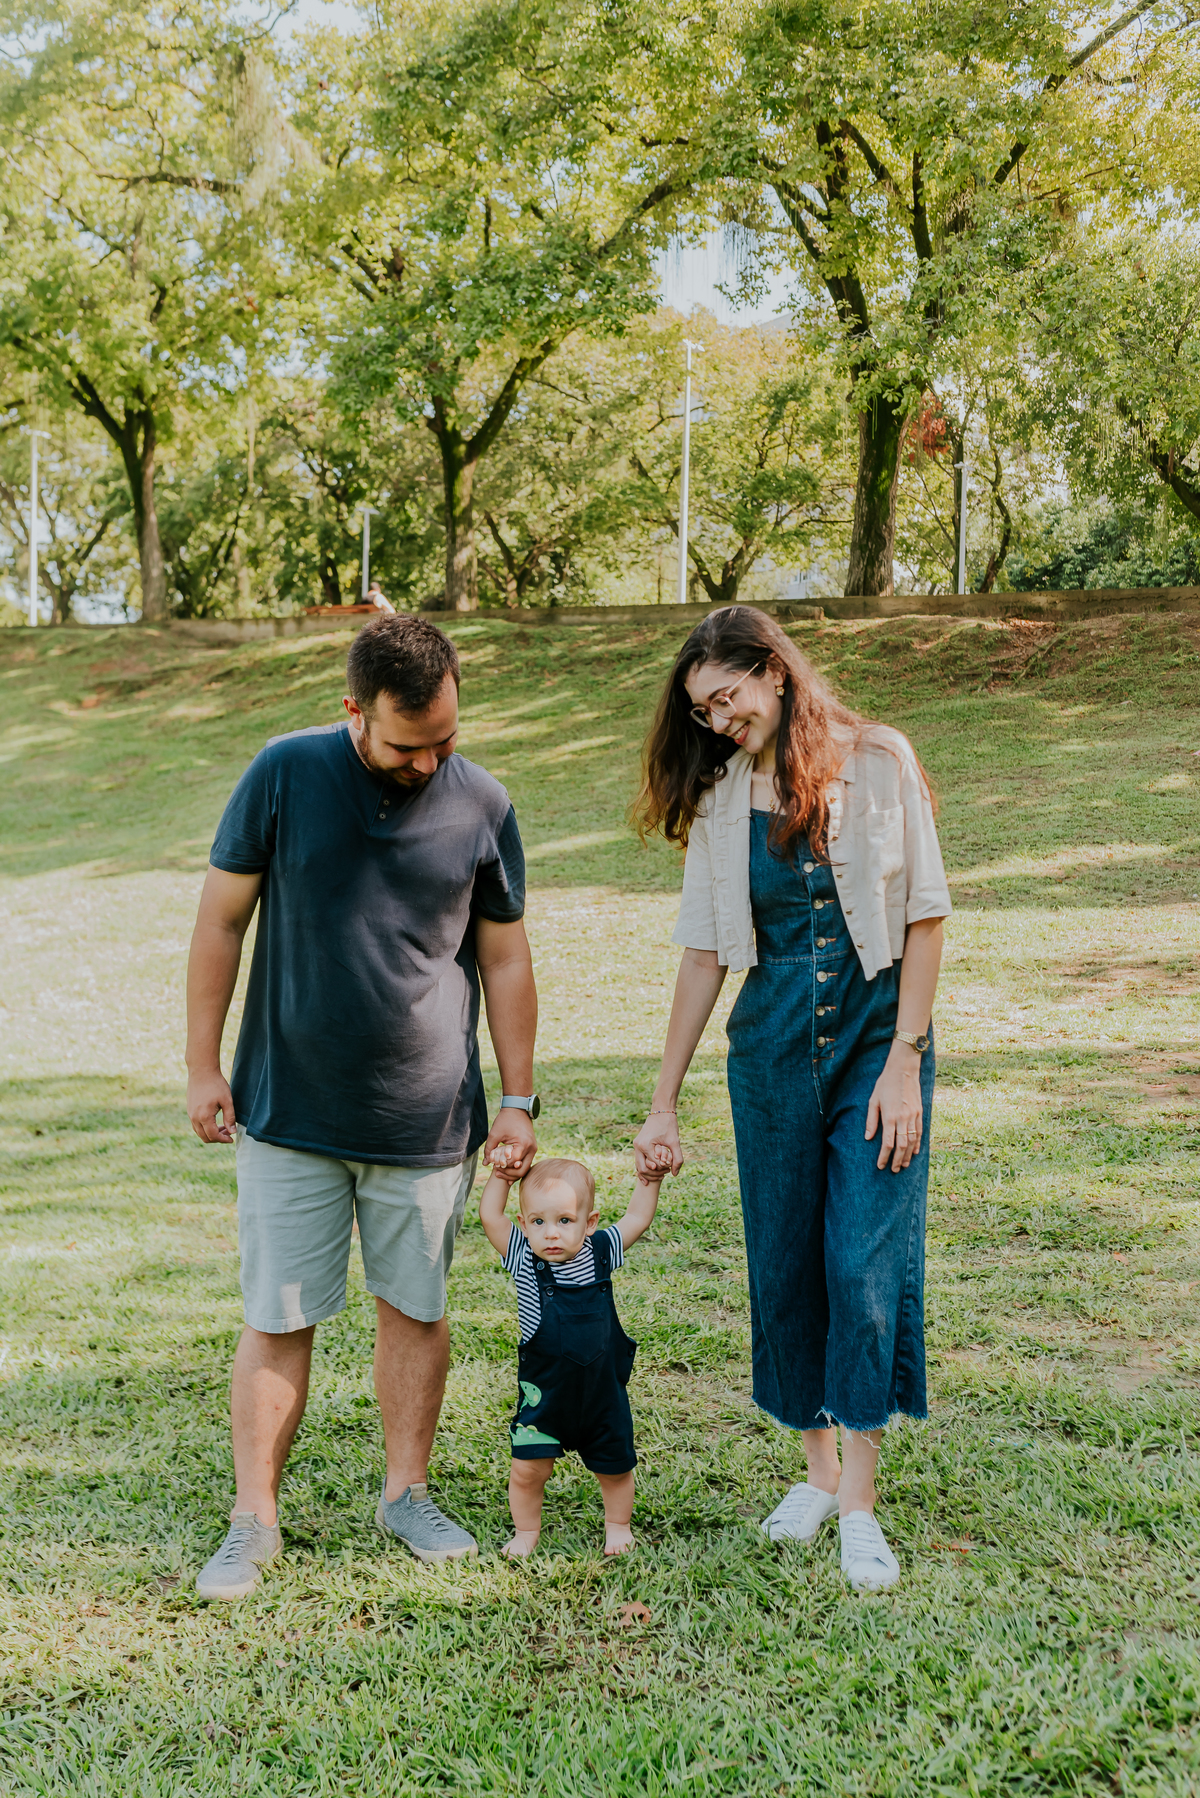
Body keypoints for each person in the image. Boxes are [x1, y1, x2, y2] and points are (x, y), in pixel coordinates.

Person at [185, 613, 540, 1599]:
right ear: (353, 712)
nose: (429, 762)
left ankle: (407, 1492)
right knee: (277, 1314)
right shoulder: (283, 774)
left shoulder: (482, 803)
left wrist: (518, 1096)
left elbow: (505, 958)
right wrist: (201, 1066)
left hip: (426, 1121)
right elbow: (219, 921)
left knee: (415, 1309)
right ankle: (253, 1517)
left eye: (445, 741)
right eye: (405, 744)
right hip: (289, 1107)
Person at [631, 605, 951, 1592]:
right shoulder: (725, 796)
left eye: (726, 698)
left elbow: (927, 917)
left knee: (861, 1259)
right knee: (785, 1259)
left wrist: (904, 1062)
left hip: (874, 1049)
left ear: (772, 669)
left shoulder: (883, 761)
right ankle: (814, 1475)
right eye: (704, 712)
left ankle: (859, 1503)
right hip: (769, 1054)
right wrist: (662, 1100)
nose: (719, 722)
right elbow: (701, 954)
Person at [478, 1154, 661, 1557]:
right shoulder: (524, 1261)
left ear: (589, 1223)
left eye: (564, 1220)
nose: (551, 1234)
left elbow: (637, 1218)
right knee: (527, 1470)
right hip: (545, 1399)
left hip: (602, 1396)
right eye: (538, 1222)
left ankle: (618, 1526)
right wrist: (502, 1176)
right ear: (524, 1226)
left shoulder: (601, 1252)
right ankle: (526, 1532)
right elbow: (491, 1215)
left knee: (615, 1468)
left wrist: (650, 1178)